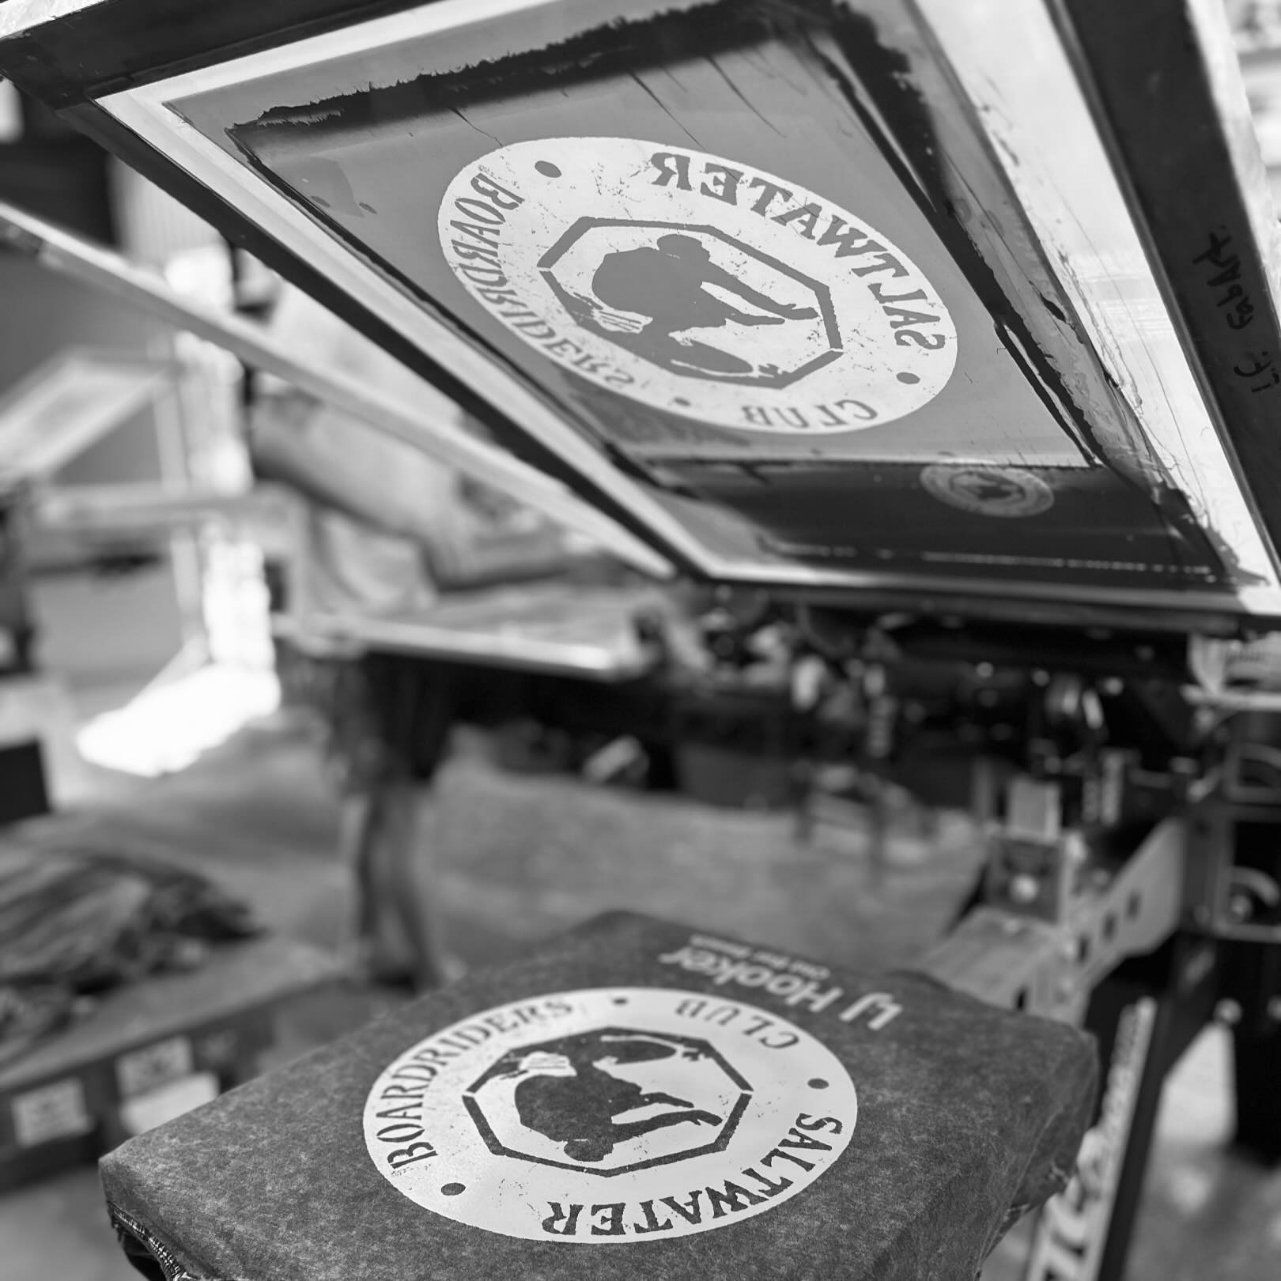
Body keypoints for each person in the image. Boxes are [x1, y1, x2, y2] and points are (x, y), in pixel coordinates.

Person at [249, 285, 562, 988]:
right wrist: (407, 519)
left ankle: (364, 943)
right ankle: (434, 979)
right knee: (403, 801)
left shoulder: (422, 307)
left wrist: (475, 489)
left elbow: (416, 441)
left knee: (376, 792)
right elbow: (273, 439)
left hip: (411, 607)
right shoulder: (318, 301)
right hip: (356, 613)